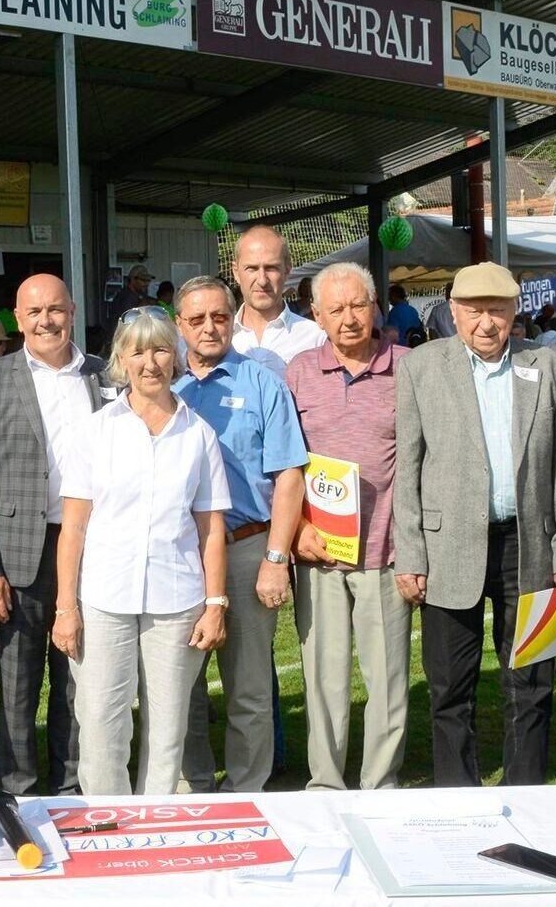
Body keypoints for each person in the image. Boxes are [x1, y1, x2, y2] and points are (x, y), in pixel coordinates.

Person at [393, 261, 556, 787]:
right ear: (453, 313)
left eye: (498, 311)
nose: (487, 323)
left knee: (531, 681)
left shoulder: (550, 367)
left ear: (516, 314)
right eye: (475, 311)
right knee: (449, 687)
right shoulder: (420, 368)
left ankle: (524, 790)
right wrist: (410, 554)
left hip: (530, 547)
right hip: (447, 548)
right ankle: (457, 793)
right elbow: (407, 468)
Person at [54, 306, 230, 795]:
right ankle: (105, 820)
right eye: (138, 351)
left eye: (160, 349)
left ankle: (156, 823)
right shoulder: (95, 431)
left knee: (168, 724)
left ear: (175, 357)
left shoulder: (198, 434)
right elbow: (73, 529)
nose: (150, 362)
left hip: (177, 600)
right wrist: (66, 607)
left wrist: (215, 604)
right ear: (121, 360)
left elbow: (211, 529)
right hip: (104, 597)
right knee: (102, 722)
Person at [0, 273, 110, 796]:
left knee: (78, 675)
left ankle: (71, 784)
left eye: (56, 309)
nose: (46, 320)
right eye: (34, 312)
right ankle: (18, 787)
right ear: (19, 320)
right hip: (19, 551)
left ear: (72, 309)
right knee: (17, 682)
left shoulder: (104, 376)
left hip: (89, 547)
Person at [171, 276, 307, 794]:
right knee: (181, 684)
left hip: (249, 547)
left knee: (249, 687)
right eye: (197, 319)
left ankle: (248, 787)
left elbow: (289, 475)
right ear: (179, 325)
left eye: (220, 317)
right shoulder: (164, 387)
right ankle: (194, 783)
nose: (210, 327)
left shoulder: (264, 384)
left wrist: (276, 557)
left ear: (234, 319)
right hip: (182, 553)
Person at [284, 263, 411, 791]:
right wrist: (294, 534)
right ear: (317, 315)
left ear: (375, 304)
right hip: (319, 551)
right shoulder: (298, 372)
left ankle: (379, 785)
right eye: (335, 309)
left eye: (357, 305)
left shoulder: (408, 367)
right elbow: (284, 463)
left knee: (387, 682)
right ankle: (327, 786)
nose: (349, 318)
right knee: (324, 679)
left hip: (386, 549)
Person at [231, 227, 325, 378]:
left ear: (287, 270)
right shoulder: (219, 339)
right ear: (236, 272)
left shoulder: (316, 338)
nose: (262, 280)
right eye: (252, 268)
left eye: (271, 268)